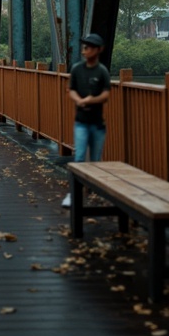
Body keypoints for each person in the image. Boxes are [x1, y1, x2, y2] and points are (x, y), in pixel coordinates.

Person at [62, 33, 111, 207]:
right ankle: (74, 194)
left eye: (89, 47)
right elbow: (71, 89)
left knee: (96, 160)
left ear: (99, 50)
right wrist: (79, 100)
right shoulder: (77, 69)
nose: (85, 50)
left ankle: (93, 192)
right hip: (81, 122)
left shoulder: (102, 71)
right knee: (80, 157)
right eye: (84, 47)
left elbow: (106, 93)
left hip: (98, 124)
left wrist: (91, 100)